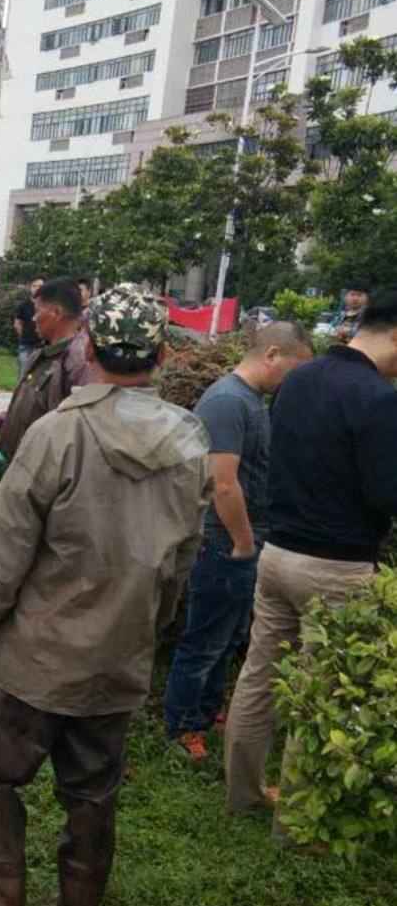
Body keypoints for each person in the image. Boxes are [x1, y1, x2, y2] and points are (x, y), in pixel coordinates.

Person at [0, 285, 210, 906]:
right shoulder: (189, 444)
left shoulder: (58, 432)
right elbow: (178, 563)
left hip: (37, 659)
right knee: (92, 793)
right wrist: (149, 627)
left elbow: (5, 547)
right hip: (119, 657)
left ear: (89, 345)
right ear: (164, 354)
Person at [225, 290, 397, 823]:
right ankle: (297, 824)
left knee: (259, 676)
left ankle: (243, 796)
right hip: (338, 566)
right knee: (317, 693)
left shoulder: (299, 379)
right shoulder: (378, 398)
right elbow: (384, 493)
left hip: (278, 553)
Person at [163, 323, 313, 761]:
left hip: (241, 541)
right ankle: (182, 726)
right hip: (223, 541)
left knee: (227, 637)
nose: (293, 380)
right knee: (205, 638)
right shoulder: (228, 401)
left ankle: (205, 713)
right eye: (294, 368)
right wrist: (245, 543)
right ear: (271, 353)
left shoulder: (251, 400)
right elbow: (222, 483)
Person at [0, 278, 95, 504]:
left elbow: (78, 434)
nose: (33, 318)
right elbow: (30, 403)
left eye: (37, 310)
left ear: (55, 312)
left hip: (38, 485)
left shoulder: (78, 361)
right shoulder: (44, 354)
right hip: (14, 472)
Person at [13, 279, 43, 377]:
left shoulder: (49, 305)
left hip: (43, 346)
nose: (37, 288)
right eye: (34, 286)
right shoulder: (23, 305)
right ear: (30, 288)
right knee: (24, 374)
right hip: (26, 345)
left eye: (40, 286)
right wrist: (23, 335)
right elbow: (17, 323)